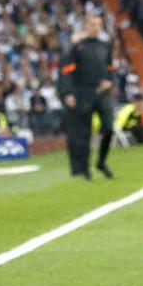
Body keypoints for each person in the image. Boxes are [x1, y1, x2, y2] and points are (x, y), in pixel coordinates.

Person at [58, 14, 118, 179]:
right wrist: (67, 92)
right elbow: (66, 70)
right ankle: (84, 169)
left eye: (98, 24)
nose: (96, 27)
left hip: (102, 93)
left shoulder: (105, 45)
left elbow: (111, 67)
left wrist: (110, 81)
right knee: (83, 133)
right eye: (92, 24)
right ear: (85, 26)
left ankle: (101, 161)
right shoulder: (77, 46)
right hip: (83, 93)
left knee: (108, 128)